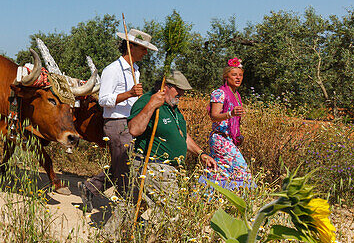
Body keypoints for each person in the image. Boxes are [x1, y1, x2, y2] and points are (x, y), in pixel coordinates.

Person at [83, 28, 157, 202]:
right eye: (142, 48)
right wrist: (129, 94)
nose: (146, 52)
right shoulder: (113, 70)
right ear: (131, 47)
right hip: (116, 123)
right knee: (124, 166)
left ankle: (92, 187)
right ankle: (127, 207)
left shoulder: (135, 70)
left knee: (122, 164)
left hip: (131, 123)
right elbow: (103, 99)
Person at [127, 71, 217, 204]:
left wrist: (201, 154)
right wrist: (152, 104)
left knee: (130, 209)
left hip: (168, 169)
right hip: (153, 167)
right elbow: (134, 129)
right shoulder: (147, 101)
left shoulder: (172, 107)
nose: (182, 93)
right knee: (171, 212)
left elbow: (181, 135)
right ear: (165, 87)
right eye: (178, 89)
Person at [207, 57, 253, 189]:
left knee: (221, 172)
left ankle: (210, 198)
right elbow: (214, 116)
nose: (238, 78)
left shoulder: (236, 95)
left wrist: (237, 136)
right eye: (234, 75)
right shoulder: (219, 93)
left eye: (240, 75)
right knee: (241, 170)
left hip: (228, 139)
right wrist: (230, 114)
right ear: (226, 77)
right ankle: (244, 197)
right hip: (220, 138)